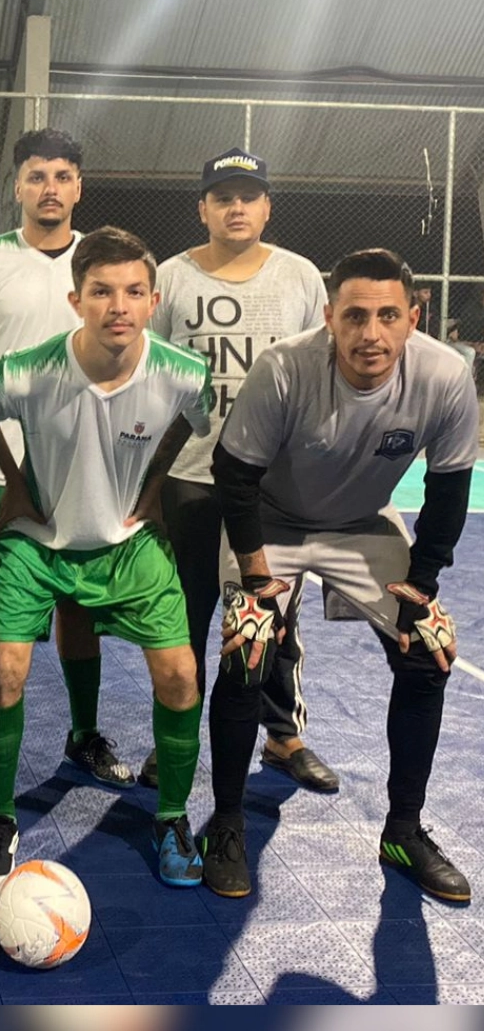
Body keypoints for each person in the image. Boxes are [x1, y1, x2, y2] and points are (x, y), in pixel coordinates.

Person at [205, 248, 476, 903]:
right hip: (271, 520)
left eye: (388, 316)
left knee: (429, 654)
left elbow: (448, 489)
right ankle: (227, 822)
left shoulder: (444, 376)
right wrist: (257, 577)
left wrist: (424, 584)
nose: (370, 333)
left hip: (361, 524)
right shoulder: (284, 368)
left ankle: (403, 830)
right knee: (248, 648)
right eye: (354, 316)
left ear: (415, 317)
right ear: (329, 317)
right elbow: (235, 476)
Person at [0, 227, 213, 892]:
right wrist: (15, 484)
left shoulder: (182, 371)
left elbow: (195, 416)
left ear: (153, 299)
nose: (119, 306)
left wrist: (156, 484)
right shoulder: (25, 370)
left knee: (182, 676)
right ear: (76, 299)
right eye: (102, 292)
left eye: (134, 291)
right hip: (40, 543)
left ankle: (170, 818)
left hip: (129, 542)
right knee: (5, 670)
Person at [141, 147, 337, 794]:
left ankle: (283, 737)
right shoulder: (171, 276)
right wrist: (149, 479)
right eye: (222, 196)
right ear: (202, 208)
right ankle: (173, 740)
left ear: (266, 207)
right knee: (184, 616)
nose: (235, 207)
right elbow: (155, 381)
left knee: (275, 618)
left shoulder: (302, 276)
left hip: (274, 485)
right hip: (192, 475)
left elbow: (320, 377)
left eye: (247, 196)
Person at [0, 129, 130, 793]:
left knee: (79, 609)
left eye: (62, 175)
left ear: (79, 186)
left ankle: (83, 732)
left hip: (86, 470)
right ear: (18, 188)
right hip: (1, 472)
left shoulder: (107, 261)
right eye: (36, 176)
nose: (49, 188)